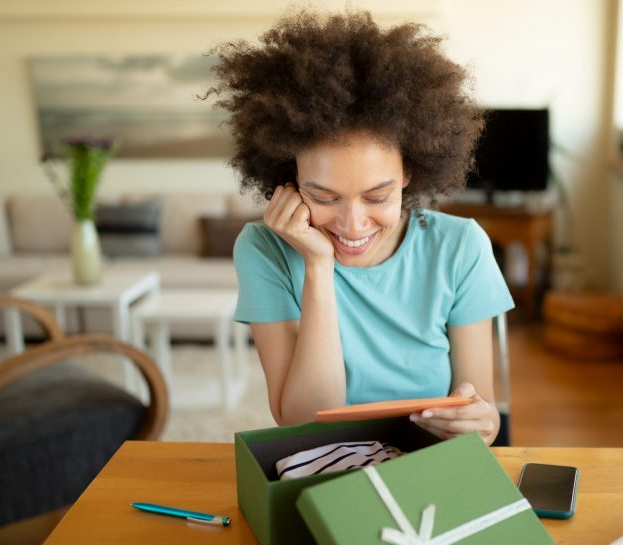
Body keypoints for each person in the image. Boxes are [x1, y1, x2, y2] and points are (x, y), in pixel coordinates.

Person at [209, 9, 514, 446]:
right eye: (324, 197)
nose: (353, 224)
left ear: (410, 173)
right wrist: (318, 266)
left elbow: (481, 417)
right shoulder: (265, 250)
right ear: (290, 183)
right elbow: (305, 423)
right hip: (325, 468)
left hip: (430, 465)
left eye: (377, 197)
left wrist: (480, 422)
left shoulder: (460, 247)